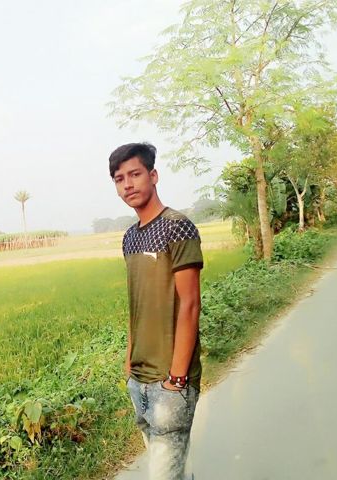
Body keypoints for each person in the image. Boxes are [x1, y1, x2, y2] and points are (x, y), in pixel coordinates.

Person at [109, 142, 203, 480]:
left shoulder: (177, 227)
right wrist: (129, 361)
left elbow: (190, 304)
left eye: (134, 174)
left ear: (153, 175)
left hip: (170, 380)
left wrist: (177, 378)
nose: (128, 185)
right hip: (139, 378)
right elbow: (136, 303)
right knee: (171, 470)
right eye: (119, 179)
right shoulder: (130, 238)